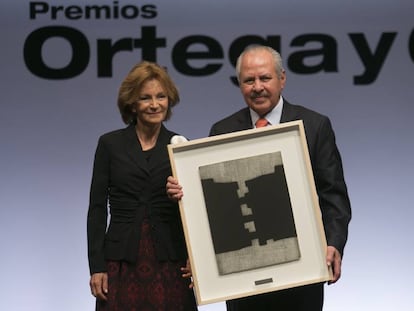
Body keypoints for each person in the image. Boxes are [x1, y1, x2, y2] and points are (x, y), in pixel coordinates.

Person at [167, 45, 351, 310]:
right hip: (242, 281)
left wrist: (334, 243)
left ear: (282, 79)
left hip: (302, 273)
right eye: (248, 80)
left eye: (265, 78)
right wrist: (184, 191)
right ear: (240, 84)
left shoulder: (315, 126)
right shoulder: (222, 130)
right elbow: (215, 205)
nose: (257, 87)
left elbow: (334, 197)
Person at [87, 61, 197, 310]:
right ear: (132, 103)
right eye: (145, 98)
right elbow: (96, 209)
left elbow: (194, 208)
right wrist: (97, 267)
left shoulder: (179, 144)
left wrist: (196, 257)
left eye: (161, 96)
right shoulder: (110, 144)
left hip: (171, 258)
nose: (155, 104)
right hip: (120, 260)